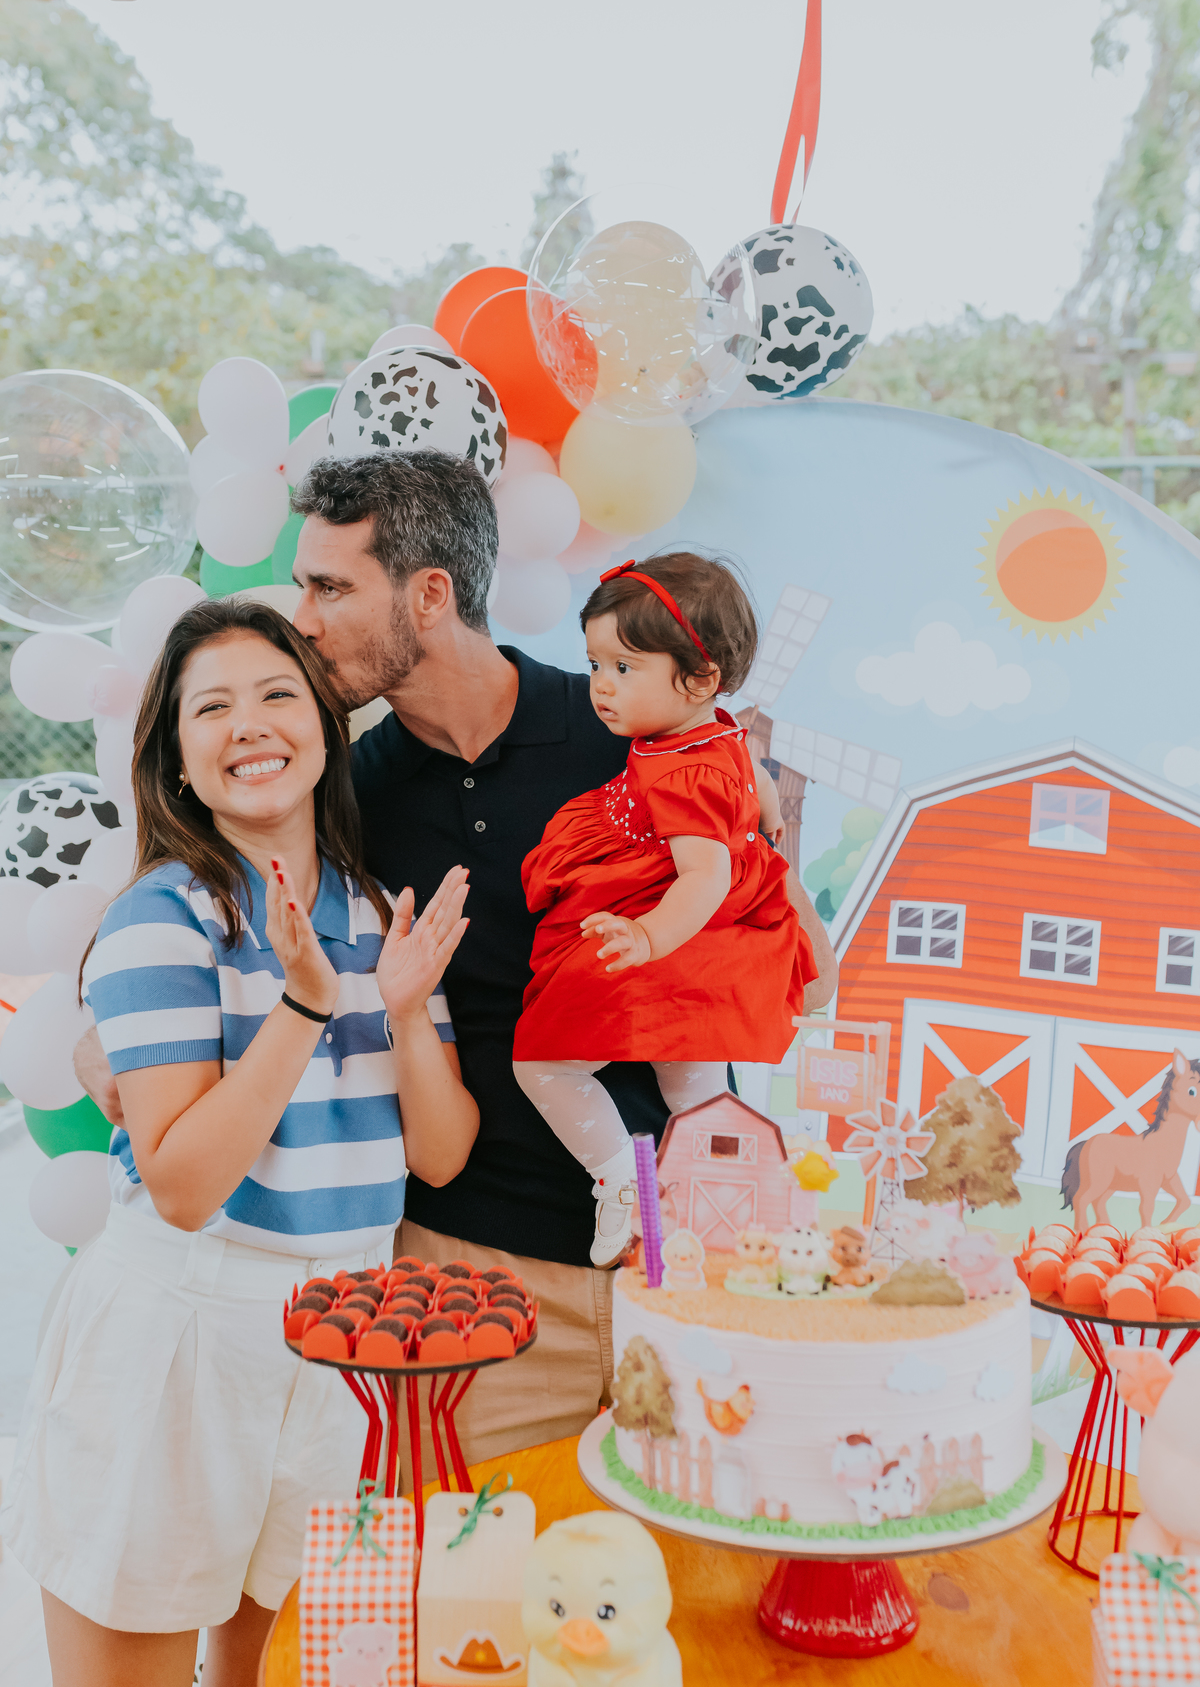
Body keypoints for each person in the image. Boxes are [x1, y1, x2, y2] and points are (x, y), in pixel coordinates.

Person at [79, 449, 837, 1467]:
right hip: (467, 1279)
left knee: (689, 1589)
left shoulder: (628, 736)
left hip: (691, 1259)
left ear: (429, 595)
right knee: (475, 1602)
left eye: (331, 587)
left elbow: (779, 925)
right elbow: (210, 893)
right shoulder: (348, 795)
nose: (303, 617)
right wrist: (104, 1040)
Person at [4, 599, 478, 1687]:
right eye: (210, 707)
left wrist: (403, 1008)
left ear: (323, 725)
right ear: (177, 760)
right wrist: (304, 1007)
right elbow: (181, 1183)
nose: (250, 725)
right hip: (184, 1332)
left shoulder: (371, 913)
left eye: (275, 695)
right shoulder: (158, 923)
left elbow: (441, 1157)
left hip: (350, 1344)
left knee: (289, 1670)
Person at [512, 553, 817, 1265]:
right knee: (694, 1087)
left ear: (701, 678)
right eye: (594, 665)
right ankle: (720, 1201)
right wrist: (765, 816)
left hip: (669, 929)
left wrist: (646, 937)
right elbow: (756, 785)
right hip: (711, 951)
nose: (600, 688)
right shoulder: (714, 731)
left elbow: (704, 875)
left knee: (543, 1061)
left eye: (624, 668)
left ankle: (621, 1180)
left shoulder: (683, 772)